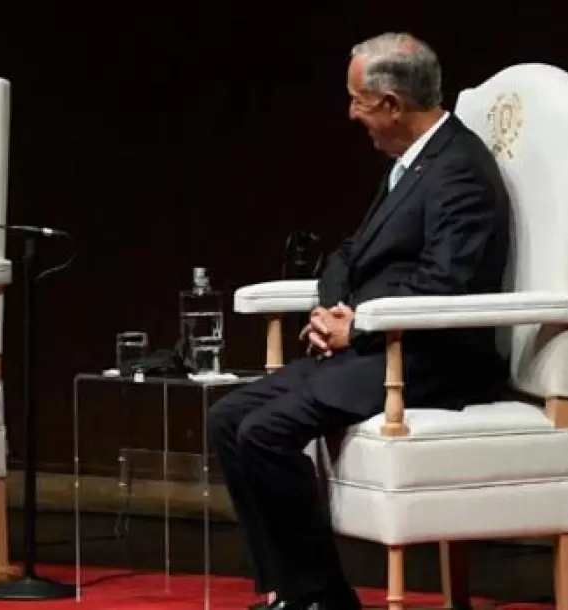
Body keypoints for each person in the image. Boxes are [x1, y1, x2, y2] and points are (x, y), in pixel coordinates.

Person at [209, 32, 510, 610]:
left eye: (358, 101)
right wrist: (330, 313)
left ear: (393, 103)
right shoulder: (413, 163)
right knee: (230, 417)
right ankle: (291, 590)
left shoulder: (458, 173)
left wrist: (360, 326)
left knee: (266, 432)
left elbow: (447, 284)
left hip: (430, 359)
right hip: (375, 344)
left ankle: (323, 598)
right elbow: (351, 253)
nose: (352, 114)